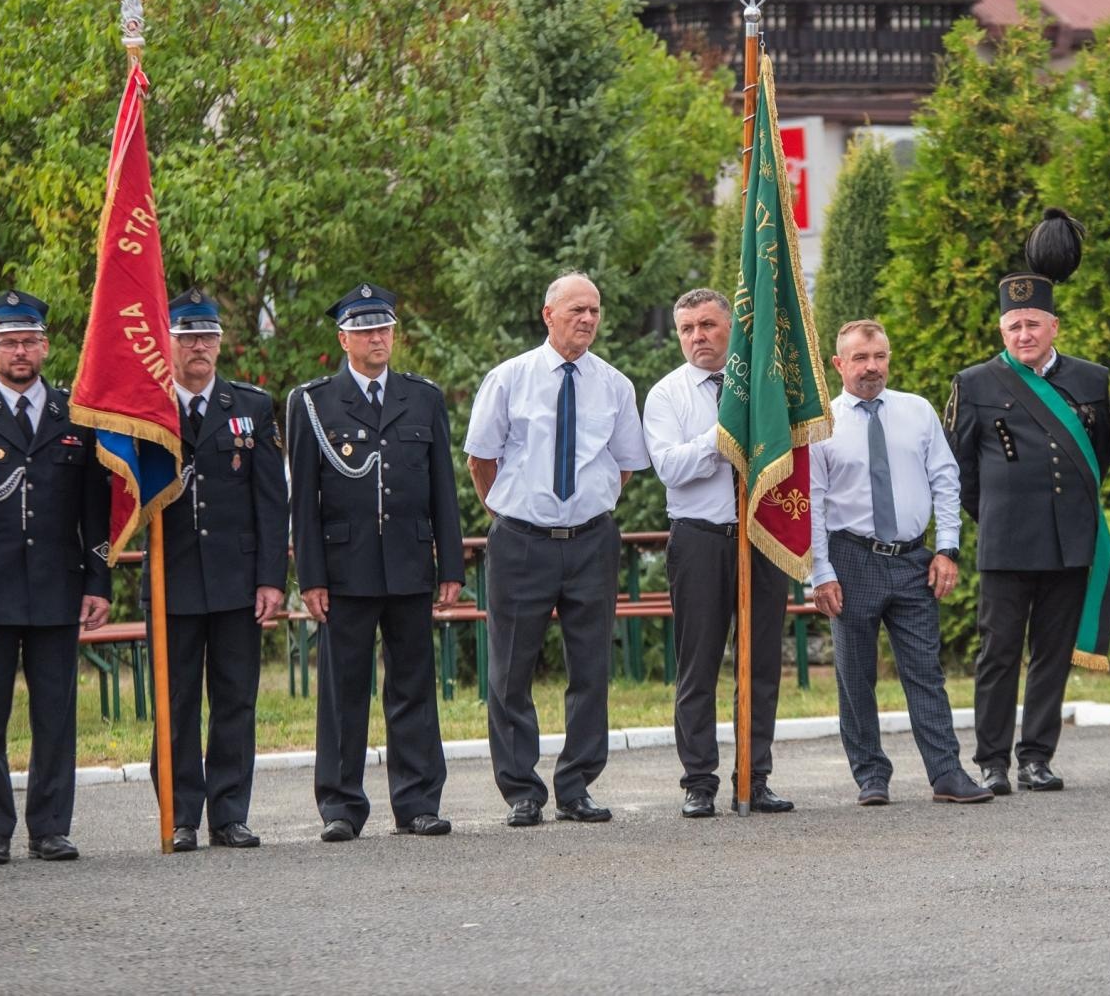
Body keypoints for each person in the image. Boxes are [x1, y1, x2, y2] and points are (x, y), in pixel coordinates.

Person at [0, 291, 111, 865]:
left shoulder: (76, 415)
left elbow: (95, 510)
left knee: (55, 712)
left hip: (58, 585)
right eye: (9, 342)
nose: (21, 351)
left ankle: (51, 827)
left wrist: (98, 581)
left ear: (46, 346)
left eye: (30, 340)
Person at [464, 273, 650, 828]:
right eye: (576, 310)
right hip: (521, 541)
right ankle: (522, 789)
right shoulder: (510, 379)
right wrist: (510, 513)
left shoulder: (615, 385)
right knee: (510, 671)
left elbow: (624, 465)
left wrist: (585, 510)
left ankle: (577, 785)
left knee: (590, 668)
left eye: (594, 309)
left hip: (591, 541)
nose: (588, 319)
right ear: (548, 315)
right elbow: (481, 458)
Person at [287, 283, 466, 842]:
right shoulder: (313, 402)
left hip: (409, 563)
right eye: (365, 329)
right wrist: (310, 576)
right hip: (346, 569)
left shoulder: (423, 397)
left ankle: (417, 802)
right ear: (343, 338)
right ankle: (341, 806)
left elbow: (443, 488)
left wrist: (451, 566)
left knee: (413, 685)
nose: (377, 337)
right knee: (344, 691)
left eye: (384, 327)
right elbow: (304, 503)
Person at [947, 209, 1110, 795]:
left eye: (1034, 324)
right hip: (1006, 543)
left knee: (1051, 655)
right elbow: (960, 468)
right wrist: (991, 515)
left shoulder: (1093, 381)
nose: (1024, 334)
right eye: (1014, 324)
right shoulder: (974, 385)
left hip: (1071, 541)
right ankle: (992, 760)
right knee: (998, 656)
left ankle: (1036, 757)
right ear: (1002, 330)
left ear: (1055, 326)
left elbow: (1101, 454)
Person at [810, 319, 992, 806]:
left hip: (914, 559)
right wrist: (820, 571)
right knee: (855, 675)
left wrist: (947, 549)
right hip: (851, 559)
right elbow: (813, 501)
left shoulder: (918, 411)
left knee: (924, 671)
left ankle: (947, 773)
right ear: (838, 364)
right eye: (861, 359)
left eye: (880, 357)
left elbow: (945, 479)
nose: (872, 368)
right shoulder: (821, 423)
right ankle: (871, 776)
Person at [643, 288, 793, 818]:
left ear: (732, 329)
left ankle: (755, 775)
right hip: (701, 538)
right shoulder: (666, 395)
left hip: (760, 535)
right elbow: (671, 468)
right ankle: (699, 781)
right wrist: (724, 433)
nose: (697, 337)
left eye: (707, 325)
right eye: (686, 328)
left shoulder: (763, 390)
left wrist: (747, 418)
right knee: (698, 665)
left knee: (762, 663)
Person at [148, 289, 288, 851]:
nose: (199, 347)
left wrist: (272, 578)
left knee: (235, 699)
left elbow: (270, 502)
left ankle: (229, 812)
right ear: (170, 342)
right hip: (172, 580)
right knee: (176, 702)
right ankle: (181, 814)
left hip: (236, 582)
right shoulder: (148, 410)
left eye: (208, 337)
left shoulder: (250, 407)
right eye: (187, 337)